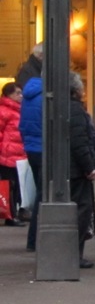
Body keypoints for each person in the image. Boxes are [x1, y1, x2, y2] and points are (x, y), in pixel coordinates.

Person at [67, 72, 95, 269]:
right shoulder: (76, 111)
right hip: (77, 170)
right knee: (82, 210)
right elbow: (80, 143)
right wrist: (90, 167)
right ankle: (75, 253)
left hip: (68, 169)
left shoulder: (60, 107)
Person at [19, 71, 43, 252]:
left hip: (31, 147)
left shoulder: (29, 95)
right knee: (44, 195)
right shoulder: (47, 94)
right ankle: (34, 239)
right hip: (44, 148)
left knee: (40, 193)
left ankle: (33, 240)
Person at [0, 83, 26, 226]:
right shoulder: (5, 111)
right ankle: (10, 215)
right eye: (17, 93)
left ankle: (13, 213)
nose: (20, 96)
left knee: (15, 186)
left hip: (17, 155)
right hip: (8, 155)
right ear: (8, 95)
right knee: (10, 186)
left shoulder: (18, 110)